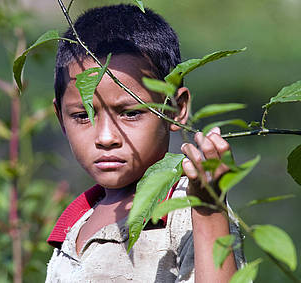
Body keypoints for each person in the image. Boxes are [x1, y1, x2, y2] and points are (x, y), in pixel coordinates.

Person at [45, 4, 245, 282]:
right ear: (60, 118)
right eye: (83, 115)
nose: (105, 138)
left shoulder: (187, 207)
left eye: (130, 113)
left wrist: (209, 211)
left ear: (176, 108)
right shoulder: (77, 220)